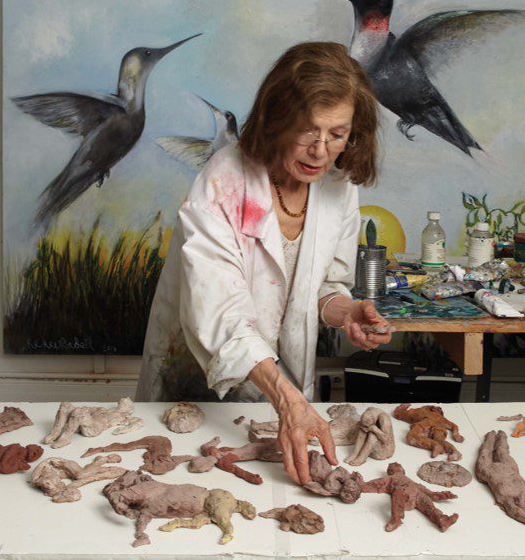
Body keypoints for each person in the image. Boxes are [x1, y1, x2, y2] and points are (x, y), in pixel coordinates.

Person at [136, 41, 394, 484]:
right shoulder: (223, 181)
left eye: (337, 133)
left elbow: (324, 286)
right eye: (308, 130)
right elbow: (221, 316)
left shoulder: (339, 187)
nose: (321, 150)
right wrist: (289, 400)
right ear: (277, 121)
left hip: (280, 399)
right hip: (193, 389)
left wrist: (346, 310)